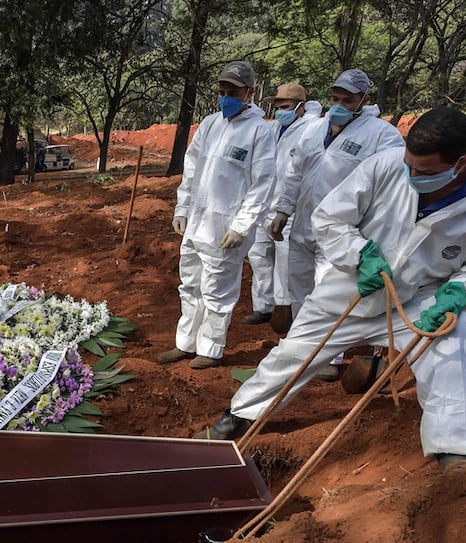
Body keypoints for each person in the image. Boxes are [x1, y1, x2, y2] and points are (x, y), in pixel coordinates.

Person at [202, 107, 466, 476]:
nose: (413, 177)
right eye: (409, 166)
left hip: (420, 299)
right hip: (353, 285)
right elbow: (330, 217)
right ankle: (240, 416)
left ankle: (456, 449)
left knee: (453, 342)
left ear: (460, 163)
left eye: (426, 172)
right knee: (295, 352)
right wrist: (359, 254)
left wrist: (460, 294)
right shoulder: (385, 166)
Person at [268, 70, 404, 379]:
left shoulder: (382, 135)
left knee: (328, 291)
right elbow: (294, 173)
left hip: (343, 231)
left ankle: (327, 357)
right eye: (335, 98)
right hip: (303, 223)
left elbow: (390, 187)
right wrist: (282, 210)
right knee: (299, 288)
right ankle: (303, 347)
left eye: (348, 99)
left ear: (363, 100)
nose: (340, 104)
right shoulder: (314, 130)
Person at [158, 61, 276, 369]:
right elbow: (192, 169)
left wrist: (242, 226)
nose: (226, 98)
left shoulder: (259, 132)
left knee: (217, 290)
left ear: (250, 93)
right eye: (222, 92)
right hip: (197, 223)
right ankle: (185, 343)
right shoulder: (210, 124)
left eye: (233, 92)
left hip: (226, 229)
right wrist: (182, 208)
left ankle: (210, 349)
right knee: (190, 284)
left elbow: (262, 184)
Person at [243, 82, 317, 326]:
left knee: (286, 261)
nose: (279, 111)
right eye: (277, 106)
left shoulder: (312, 129)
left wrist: (289, 205)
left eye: (284, 106)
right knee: (259, 255)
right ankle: (263, 305)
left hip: (290, 209)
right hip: (265, 203)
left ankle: (285, 309)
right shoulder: (273, 128)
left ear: (300, 107)